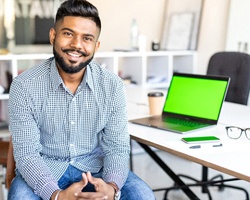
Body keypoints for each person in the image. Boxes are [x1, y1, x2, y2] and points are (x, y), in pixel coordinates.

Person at [8, 0, 155, 200]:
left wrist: (111, 187)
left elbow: (117, 148)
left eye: (87, 38)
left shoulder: (112, 86)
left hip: (96, 169)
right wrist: (56, 195)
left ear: (96, 45)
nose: (76, 45)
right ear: (53, 36)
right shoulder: (24, 86)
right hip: (45, 169)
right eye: (68, 34)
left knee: (143, 195)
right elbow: (27, 155)